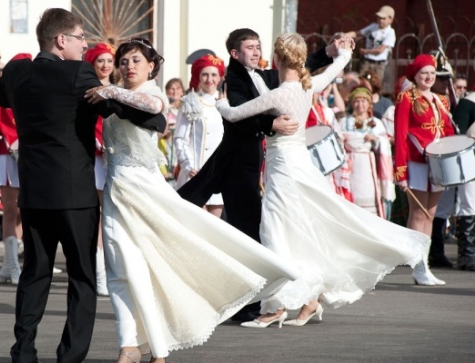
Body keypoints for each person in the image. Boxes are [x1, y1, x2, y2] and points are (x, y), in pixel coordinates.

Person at [86, 37, 299, 363]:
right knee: (118, 269)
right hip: (117, 190)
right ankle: (128, 345)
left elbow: (152, 108)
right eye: (124, 61)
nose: (129, 66)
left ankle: (158, 348)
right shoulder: (108, 96)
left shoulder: (152, 92)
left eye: (136, 61)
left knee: (156, 264)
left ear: (151, 67)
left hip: (146, 191)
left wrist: (111, 90)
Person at [0, 9, 166, 363]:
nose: (85, 45)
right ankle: (69, 357)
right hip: (75, 195)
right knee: (82, 277)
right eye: (81, 38)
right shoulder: (78, 74)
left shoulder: (19, 72)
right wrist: (155, 116)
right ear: (61, 40)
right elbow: (119, 108)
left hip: (34, 193)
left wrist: (16, 82)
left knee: (34, 275)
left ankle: (23, 352)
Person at [215, 32, 428, 328]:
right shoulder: (308, 85)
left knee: (275, 231)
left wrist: (220, 103)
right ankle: (309, 301)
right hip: (299, 162)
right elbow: (334, 68)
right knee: (300, 228)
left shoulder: (279, 93)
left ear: (277, 60)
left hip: (283, 169)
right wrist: (341, 53)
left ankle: (276, 306)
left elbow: (236, 113)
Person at [177, 27, 337, 322]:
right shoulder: (234, 80)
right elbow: (239, 115)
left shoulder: (262, 75)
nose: (256, 51)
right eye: (250, 47)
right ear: (235, 53)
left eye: (258, 46)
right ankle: (256, 302)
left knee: (252, 232)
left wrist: (326, 54)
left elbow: (295, 68)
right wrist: (271, 123)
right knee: (250, 232)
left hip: (254, 165)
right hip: (236, 165)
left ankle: (267, 299)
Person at [394, 53, 456, 285]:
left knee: (431, 214)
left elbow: (449, 131)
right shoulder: (407, 98)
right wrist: (400, 171)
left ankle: (424, 264)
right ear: (415, 75)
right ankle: (417, 264)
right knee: (418, 213)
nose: (429, 77)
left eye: (431, 73)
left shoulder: (442, 100)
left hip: (438, 164)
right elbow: (400, 136)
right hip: (416, 164)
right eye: (424, 73)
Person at [0, 53, 32, 285]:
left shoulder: (35, 91)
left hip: (31, 155)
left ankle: (10, 263)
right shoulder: (2, 90)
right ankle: (12, 263)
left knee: (27, 212)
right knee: (11, 212)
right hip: (7, 155)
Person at [174, 54, 225, 217]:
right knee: (197, 225)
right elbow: (180, 138)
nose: (209, 79)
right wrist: (188, 165)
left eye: (213, 75)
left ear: (220, 78)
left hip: (217, 174)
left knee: (216, 229)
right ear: (198, 76)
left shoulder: (226, 103)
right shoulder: (190, 102)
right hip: (194, 173)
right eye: (205, 74)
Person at [84, 42, 116, 296]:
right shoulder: (88, 90)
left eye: (109, 61)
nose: (105, 66)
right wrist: (99, 144)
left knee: (112, 215)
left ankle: (110, 268)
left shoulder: (119, 90)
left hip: (116, 156)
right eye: (100, 61)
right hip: (96, 158)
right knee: (98, 214)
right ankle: (99, 272)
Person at [337, 87, 394, 217]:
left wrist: (376, 139)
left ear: (369, 103)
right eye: (357, 101)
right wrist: (342, 139)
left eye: (363, 100)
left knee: (368, 195)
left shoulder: (376, 123)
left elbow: (385, 142)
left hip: (368, 165)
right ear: (352, 103)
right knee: (352, 195)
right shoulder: (344, 122)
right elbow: (337, 139)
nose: (360, 104)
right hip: (350, 164)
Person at [452, 87, 475, 270]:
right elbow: (459, 135)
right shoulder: (469, 102)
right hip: (469, 160)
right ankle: (466, 255)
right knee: (470, 203)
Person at [346, 5, 396, 82]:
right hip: (367, 61)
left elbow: (380, 50)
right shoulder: (373, 27)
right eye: (379, 18)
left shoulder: (390, 32)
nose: (380, 20)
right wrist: (345, 35)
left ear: (390, 20)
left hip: (379, 63)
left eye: (383, 18)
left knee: (375, 83)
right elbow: (358, 33)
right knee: (361, 81)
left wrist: (366, 51)